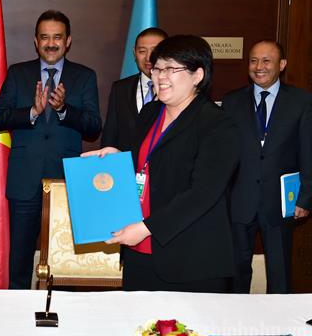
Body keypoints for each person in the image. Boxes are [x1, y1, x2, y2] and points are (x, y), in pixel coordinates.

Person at [83, 35, 240, 292]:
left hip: (190, 258)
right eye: (157, 68)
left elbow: (203, 193)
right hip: (139, 249)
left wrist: (147, 228)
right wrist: (118, 158)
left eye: (171, 69)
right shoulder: (149, 113)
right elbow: (149, 164)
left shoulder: (217, 124)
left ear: (198, 75)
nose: (160, 76)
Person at [0, 10, 101, 289]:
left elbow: (93, 126)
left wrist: (64, 110)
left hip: (66, 182)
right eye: (45, 37)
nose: (51, 44)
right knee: (19, 261)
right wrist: (32, 111)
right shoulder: (18, 73)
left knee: (62, 262)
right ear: (35, 41)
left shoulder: (84, 76)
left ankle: (59, 309)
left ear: (68, 41)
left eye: (57, 37)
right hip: (24, 180)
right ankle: (17, 308)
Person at [222, 40, 312, 294]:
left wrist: (305, 197)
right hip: (239, 201)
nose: (258, 66)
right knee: (236, 272)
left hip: (281, 202)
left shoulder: (302, 101)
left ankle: (280, 318)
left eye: (266, 61)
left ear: (281, 65)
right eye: (253, 61)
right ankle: (233, 315)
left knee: (279, 271)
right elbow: (224, 155)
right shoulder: (231, 101)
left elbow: (308, 151)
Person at [101, 27, 168, 151]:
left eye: (155, 51)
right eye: (142, 51)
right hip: (126, 162)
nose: (148, 58)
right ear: (134, 53)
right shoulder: (120, 88)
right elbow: (110, 136)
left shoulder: (176, 89)